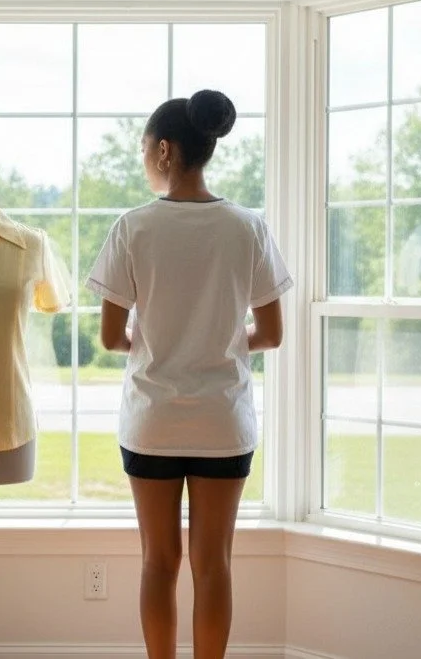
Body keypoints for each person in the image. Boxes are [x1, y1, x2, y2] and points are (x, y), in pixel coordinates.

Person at [85, 90, 293, 659]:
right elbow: (271, 333)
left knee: (158, 561)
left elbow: (109, 337)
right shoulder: (247, 227)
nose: (145, 157)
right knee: (213, 564)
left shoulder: (133, 227)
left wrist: (158, 343)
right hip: (223, 423)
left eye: (146, 148)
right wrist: (222, 341)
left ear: (167, 150)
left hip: (152, 421)